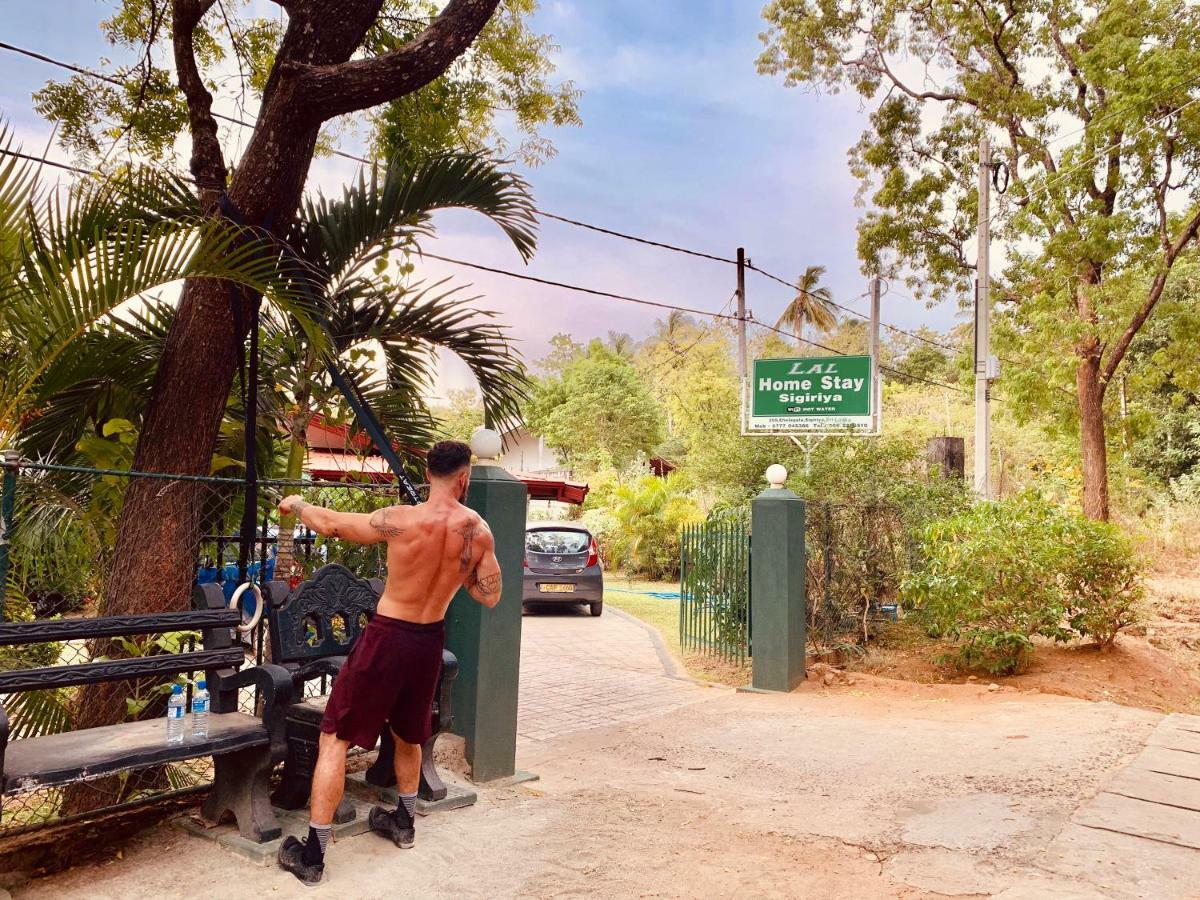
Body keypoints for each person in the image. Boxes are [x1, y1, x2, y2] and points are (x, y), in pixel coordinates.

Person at [275, 440, 502, 886]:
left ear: (427, 472)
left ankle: (313, 856)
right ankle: (404, 821)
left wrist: (298, 502)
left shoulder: (401, 520)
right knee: (409, 732)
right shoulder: (478, 530)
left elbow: (333, 525)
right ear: (464, 478)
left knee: (335, 737)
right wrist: (461, 573)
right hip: (427, 641)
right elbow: (489, 594)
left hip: (388, 636)